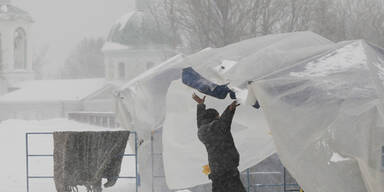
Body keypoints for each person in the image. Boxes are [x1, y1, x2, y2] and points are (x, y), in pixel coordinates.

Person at [192, 93, 246, 192]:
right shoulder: (218, 127)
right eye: (218, 116)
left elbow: (200, 121)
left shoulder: (202, 131)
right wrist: (230, 109)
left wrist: (201, 105)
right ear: (215, 117)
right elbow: (224, 121)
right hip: (228, 171)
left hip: (216, 172)